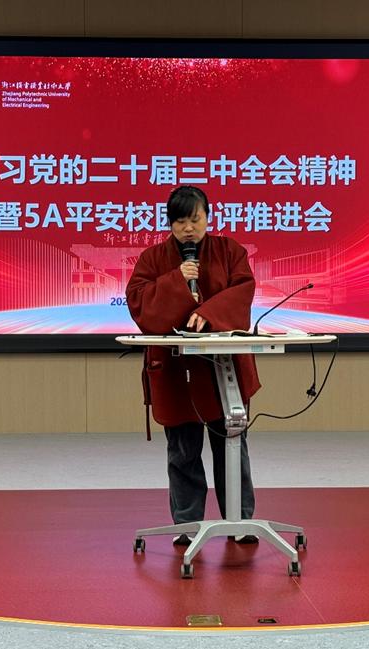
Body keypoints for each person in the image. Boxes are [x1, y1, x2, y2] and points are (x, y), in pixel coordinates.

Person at [126, 185, 260, 544]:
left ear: (208, 218)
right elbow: (138, 303)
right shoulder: (153, 258)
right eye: (180, 221)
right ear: (170, 223)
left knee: (232, 446)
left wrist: (209, 312)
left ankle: (239, 521)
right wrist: (177, 281)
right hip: (176, 372)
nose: (188, 228)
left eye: (195, 220)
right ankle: (186, 526)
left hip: (222, 370)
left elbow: (243, 290)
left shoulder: (230, 251)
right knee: (183, 452)